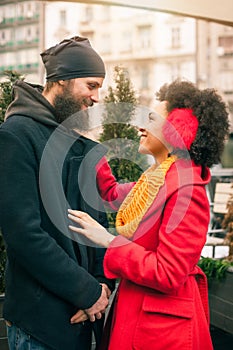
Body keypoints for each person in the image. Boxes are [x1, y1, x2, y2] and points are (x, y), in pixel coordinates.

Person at [68, 79, 229, 350]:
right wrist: (92, 145)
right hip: (144, 319)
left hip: (162, 332)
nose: (140, 126)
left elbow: (168, 273)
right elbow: (111, 193)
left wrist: (108, 241)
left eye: (151, 119)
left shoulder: (188, 191)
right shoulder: (156, 179)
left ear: (178, 129)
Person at [0, 36, 134, 350]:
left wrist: (101, 286)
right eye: (91, 85)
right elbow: (24, 234)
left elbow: (95, 223)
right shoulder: (15, 136)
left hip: (85, 314)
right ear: (61, 81)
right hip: (41, 322)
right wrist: (86, 291)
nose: (97, 97)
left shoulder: (74, 139)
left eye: (99, 87)